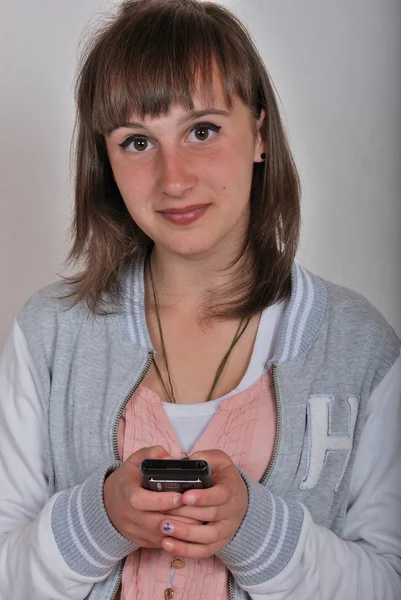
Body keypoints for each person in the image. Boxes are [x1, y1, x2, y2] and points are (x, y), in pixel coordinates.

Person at [0, 0, 400, 598]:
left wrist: (257, 530)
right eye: (137, 142)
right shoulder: (49, 332)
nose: (174, 178)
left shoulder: (359, 345)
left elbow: (389, 580)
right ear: (104, 160)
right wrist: (100, 517)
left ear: (260, 134)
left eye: (203, 130)